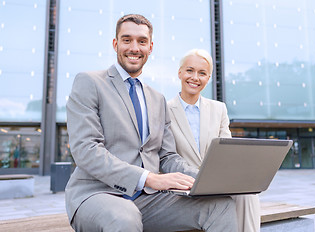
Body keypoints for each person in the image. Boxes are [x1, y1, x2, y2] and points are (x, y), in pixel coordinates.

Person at [65, 14, 238, 232]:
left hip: (149, 201)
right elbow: (86, 150)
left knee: (220, 206)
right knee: (125, 218)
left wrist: (207, 178)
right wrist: (149, 178)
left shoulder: (157, 99)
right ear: (115, 43)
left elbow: (167, 156)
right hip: (98, 193)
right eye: (127, 40)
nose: (134, 47)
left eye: (142, 41)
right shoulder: (89, 82)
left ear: (150, 47)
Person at [167, 49, 261, 232]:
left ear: (208, 78)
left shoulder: (219, 109)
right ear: (180, 73)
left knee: (248, 193)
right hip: (183, 186)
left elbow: (227, 154)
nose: (195, 77)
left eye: (202, 73)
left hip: (216, 182)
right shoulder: (163, 109)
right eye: (189, 70)